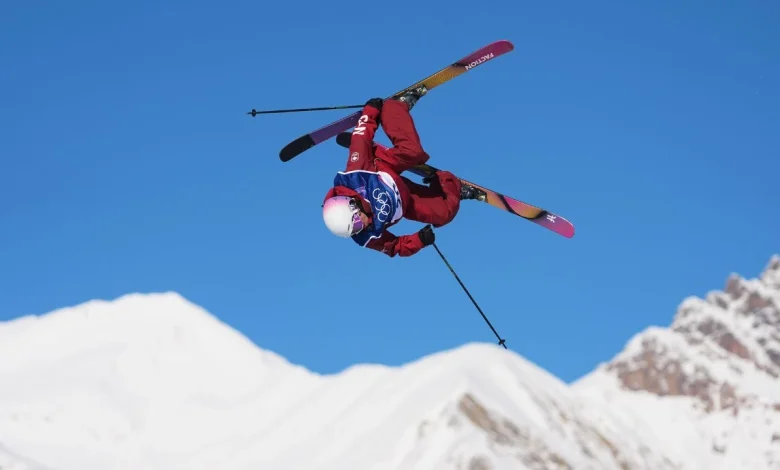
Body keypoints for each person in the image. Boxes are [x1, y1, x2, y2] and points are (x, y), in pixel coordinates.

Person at [321, 85, 484, 257]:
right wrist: (419, 240)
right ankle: (448, 185)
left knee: (413, 153)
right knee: (444, 214)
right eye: (355, 231)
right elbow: (394, 247)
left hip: (383, 167)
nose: (360, 228)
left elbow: (360, 139)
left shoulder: (356, 175)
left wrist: (370, 112)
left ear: (352, 205)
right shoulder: (366, 235)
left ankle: (395, 107)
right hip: (404, 201)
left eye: (356, 224)